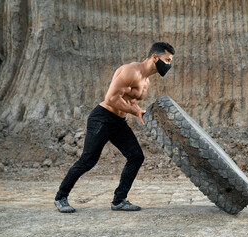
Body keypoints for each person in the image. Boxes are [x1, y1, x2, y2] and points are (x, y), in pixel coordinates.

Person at [54, 42, 175, 213]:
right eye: (167, 60)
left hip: (119, 122)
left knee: (136, 156)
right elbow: (111, 98)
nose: (169, 64)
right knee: (88, 160)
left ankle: (119, 200)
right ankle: (60, 197)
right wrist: (135, 110)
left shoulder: (146, 81)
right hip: (102, 118)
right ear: (155, 57)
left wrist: (143, 114)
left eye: (170, 61)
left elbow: (129, 103)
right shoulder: (130, 71)